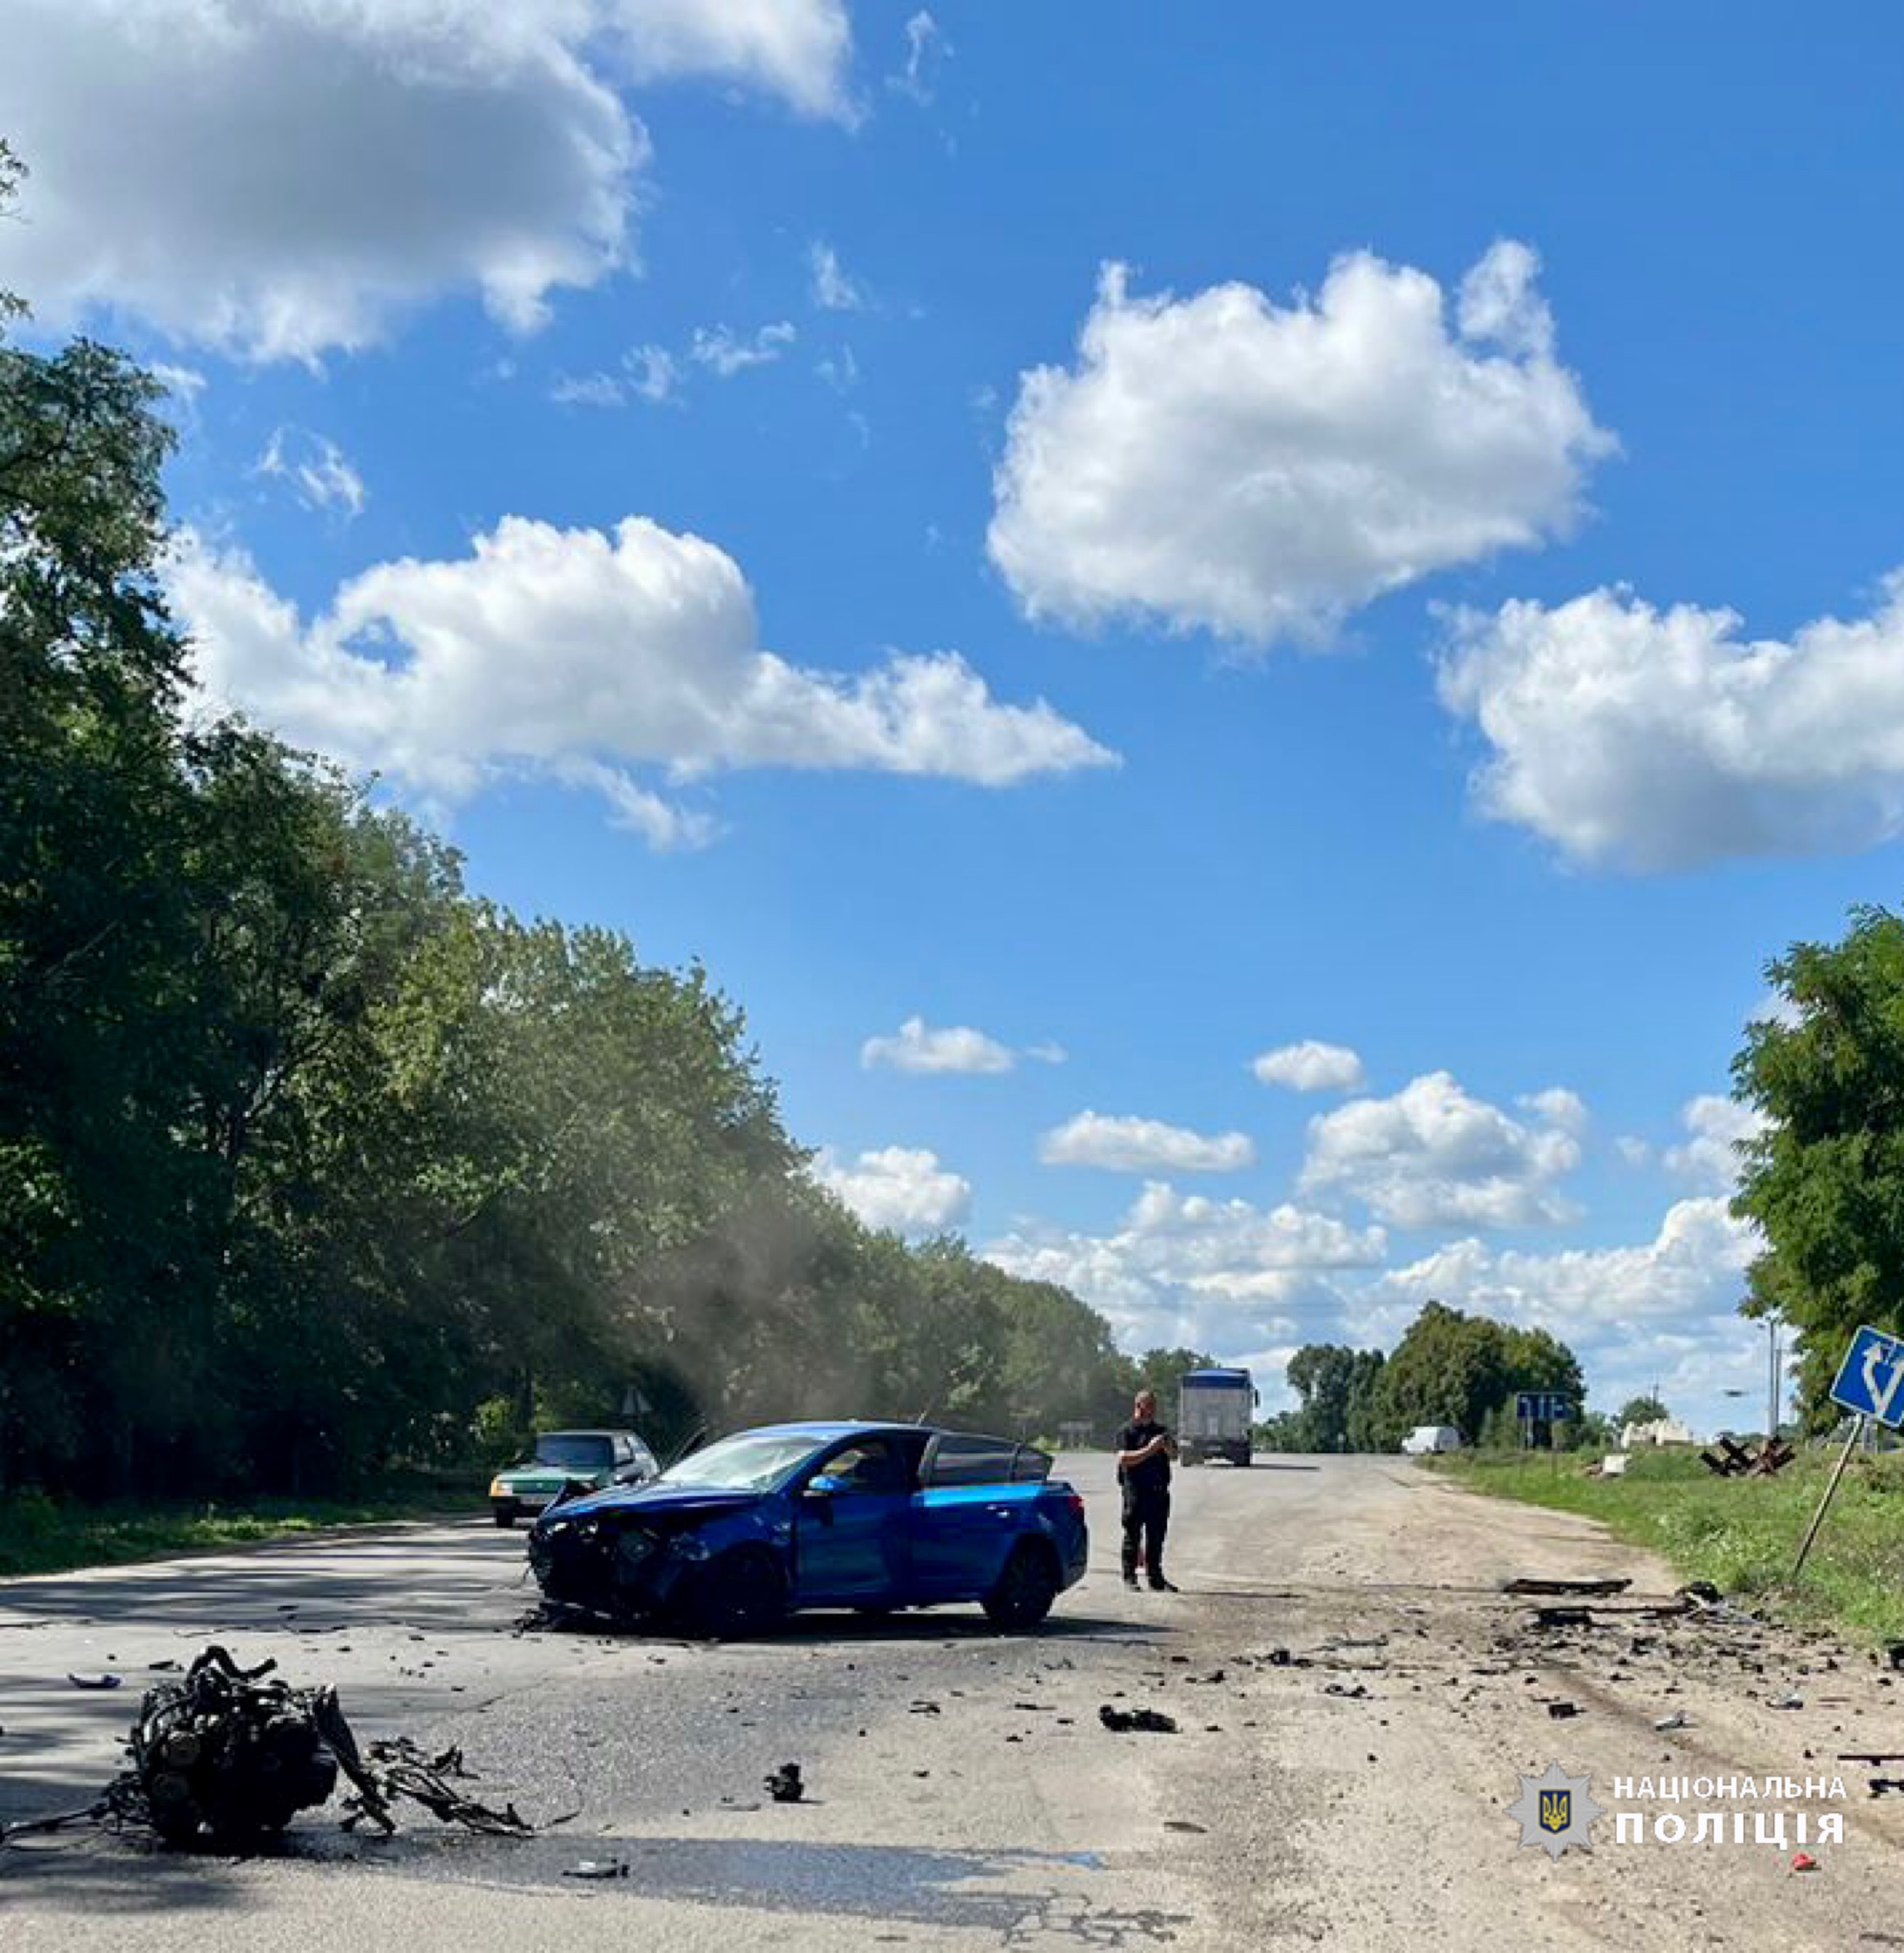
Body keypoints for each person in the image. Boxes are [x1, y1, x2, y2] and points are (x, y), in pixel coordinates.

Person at [1115, 1388, 1177, 1592]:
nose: (1152, 1410)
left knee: (1156, 1537)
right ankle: (1130, 1576)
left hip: (1158, 1492)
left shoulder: (1160, 1430)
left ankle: (1155, 1578)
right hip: (1135, 1491)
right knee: (1132, 1536)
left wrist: (1166, 1448)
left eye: (1154, 1406)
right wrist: (1150, 1449)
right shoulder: (1126, 1431)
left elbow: (1174, 1455)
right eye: (1148, 1405)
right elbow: (1124, 1459)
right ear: (1138, 1405)